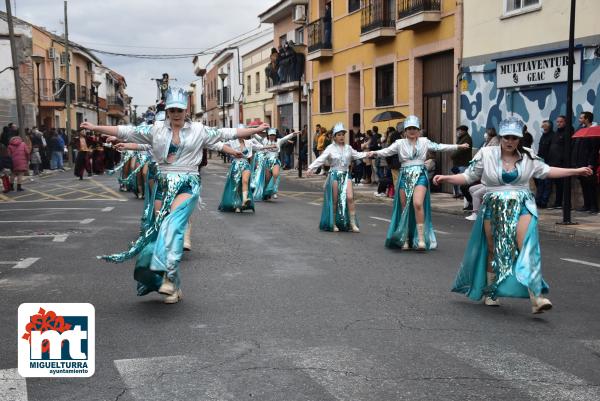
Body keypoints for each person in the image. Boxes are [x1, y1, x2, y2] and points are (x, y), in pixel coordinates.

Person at [81, 87, 268, 304]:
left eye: (179, 109)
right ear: (167, 111)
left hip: (187, 183)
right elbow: (125, 130)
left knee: (172, 225)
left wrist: (255, 130)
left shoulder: (199, 129)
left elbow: (228, 134)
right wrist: (95, 126)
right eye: (172, 110)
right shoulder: (156, 129)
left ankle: (168, 279)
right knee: (161, 232)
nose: (176, 114)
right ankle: (171, 283)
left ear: (186, 110)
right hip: (162, 182)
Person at [433, 117, 592, 313]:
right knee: (493, 249)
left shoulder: (528, 156)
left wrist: (575, 171)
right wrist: (447, 177)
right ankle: (491, 291)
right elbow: (469, 176)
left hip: (522, 204)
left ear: (520, 139)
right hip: (494, 205)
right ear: (500, 137)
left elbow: (547, 171)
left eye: (514, 138)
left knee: (526, 245)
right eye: (506, 137)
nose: (510, 141)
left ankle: (537, 297)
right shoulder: (486, 153)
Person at [367, 115, 468, 251]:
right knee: (405, 209)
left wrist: (458, 146)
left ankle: (420, 238)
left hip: (420, 174)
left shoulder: (424, 141)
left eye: (414, 128)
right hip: (404, 176)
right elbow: (386, 151)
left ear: (419, 130)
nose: (412, 131)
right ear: (405, 131)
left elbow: (440, 147)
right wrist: (374, 152)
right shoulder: (399, 143)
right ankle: (406, 238)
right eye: (409, 128)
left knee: (417, 203)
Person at [307, 123, 367, 232]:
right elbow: (321, 159)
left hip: (346, 174)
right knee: (335, 200)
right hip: (334, 174)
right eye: (339, 135)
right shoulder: (330, 148)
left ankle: (352, 224)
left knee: (349, 197)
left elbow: (358, 155)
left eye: (343, 134)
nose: (341, 137)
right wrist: (311, 168)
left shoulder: (348, 148)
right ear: (334, 137)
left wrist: (371, 153)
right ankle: (333, 223)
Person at [218, 129, 275, 213]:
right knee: (236, 186)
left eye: (243, 133)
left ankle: (245, 199)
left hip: (245, 164)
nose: (242, 135)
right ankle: (236, 204)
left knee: (245, 181)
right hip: (235, 166)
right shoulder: (231, 142)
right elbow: (220, 146)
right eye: (240, 133)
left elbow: (259, 147)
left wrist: (270, 146)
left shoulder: (249, 142)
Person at [465, 127, 499, 221]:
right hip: (487, 180)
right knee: (471, 189)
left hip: (493, 183)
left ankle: (475, 213)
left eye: (486, 133)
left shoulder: (494, 144)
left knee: (476, 194)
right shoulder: (488, 143)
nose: (485, 135)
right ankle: (481, 210)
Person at [571, 111, 599, 214]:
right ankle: (586, 205)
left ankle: (593, 206)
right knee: (583, 184)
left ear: (587, 119)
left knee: (591, 185)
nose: (579, 120)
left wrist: (590, 164)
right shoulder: (581, 130)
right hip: (580, 163)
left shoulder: (594, 132)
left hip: (589, 164)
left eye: (581, 118)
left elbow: (594, 150)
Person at [260, 128, 298, 200]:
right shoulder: (265, 141)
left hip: (275, 161)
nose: (272, 136)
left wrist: (293, 134)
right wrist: (253, 131)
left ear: (275, 135)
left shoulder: (278, 141)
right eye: (270, 135)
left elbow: (285, 138)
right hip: (267, 162)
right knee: (267, 179)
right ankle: (266, 193)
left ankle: (274, 191)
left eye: (273, 135)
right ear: (268, 135)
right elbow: (257, 138)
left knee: (275, 175)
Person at [535, 120, 554, 208]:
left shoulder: (552, 136)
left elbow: (552, 150)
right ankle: (538, 200)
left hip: (548, 162)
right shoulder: (543, 136)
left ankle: (544, 201)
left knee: (547, 184)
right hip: (541, 161)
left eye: (544, 126)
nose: (542, 127)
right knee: (540, 183)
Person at [549, 116, 567, 208]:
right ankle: (557, 202)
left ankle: (560, 203)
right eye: (557, 121)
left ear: (565, 122)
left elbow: (566, 148)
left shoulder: (567, 132)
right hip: (553, 162)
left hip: (561, 162)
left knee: (561, 184)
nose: (559, 123)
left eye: (561, 122)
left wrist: (562, 159)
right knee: (556, 184)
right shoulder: (556, 133)